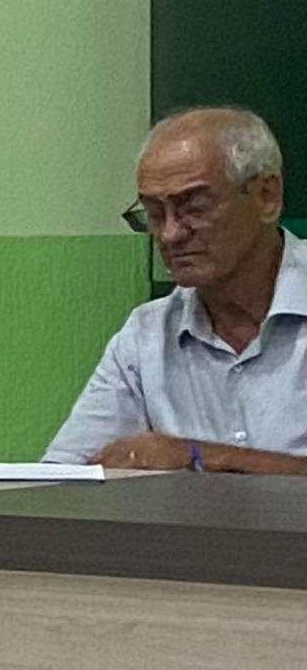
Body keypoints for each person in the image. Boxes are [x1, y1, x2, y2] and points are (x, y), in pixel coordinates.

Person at [47, 105, 307, 473]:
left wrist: (203, 458)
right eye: (154, 214)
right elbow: (64, 479)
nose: (169, 234)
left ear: (267, 197)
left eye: (195, 207)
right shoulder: (147, 335)